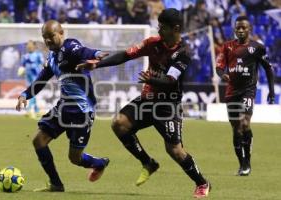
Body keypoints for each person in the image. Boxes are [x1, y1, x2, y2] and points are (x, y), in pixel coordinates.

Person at [77, 8, 211, 198]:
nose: (159, 30)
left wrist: (152, 80)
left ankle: (202, 183)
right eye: (158, 26)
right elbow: (125, 55)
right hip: (147, 100)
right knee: (119, 123)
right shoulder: (152, 43)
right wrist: (97, 64)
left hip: (168, 105)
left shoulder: (183, 53)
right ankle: (148, 163)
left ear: (176, 28)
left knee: (175, 151)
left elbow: (171, 81)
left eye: (163, 28)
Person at [16, 20, 109, 192]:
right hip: (63, 107)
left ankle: (100, 163)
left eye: (51, 36)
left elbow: (84, 51)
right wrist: (25, 95)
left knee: (74, 158)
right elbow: (42, 79)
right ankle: (56, 184)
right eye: (45, 37)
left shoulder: (70, 46)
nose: (48, 40)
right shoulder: (51, 57)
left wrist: (97, 53)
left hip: (82, 111)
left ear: (61, 33)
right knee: (39, 140)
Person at [216, 16, 275, 176]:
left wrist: (271, 90)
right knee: (236, 129)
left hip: (248, 90)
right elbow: (219, 67)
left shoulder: (257, 48)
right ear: (234, 29)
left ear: (249, 29)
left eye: (243, 28)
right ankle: (242, 164)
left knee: (245, 123)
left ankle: (247, 161)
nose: (240, 30)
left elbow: (268, 69)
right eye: (238, 28)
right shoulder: (227, 47)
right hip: (231, 92)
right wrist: (223, 75)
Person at [18, 40, 44, 119]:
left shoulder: (38, 55)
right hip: (28, 77)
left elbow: (43, 64)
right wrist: (21, 70)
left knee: (33, 92)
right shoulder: (25, 56)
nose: (29, 47)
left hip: (35, 76)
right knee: (32, 93)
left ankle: (29, 110)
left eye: (30, 45)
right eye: (28, 45)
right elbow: (22, 66)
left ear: (34, 46)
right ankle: (36, 111)